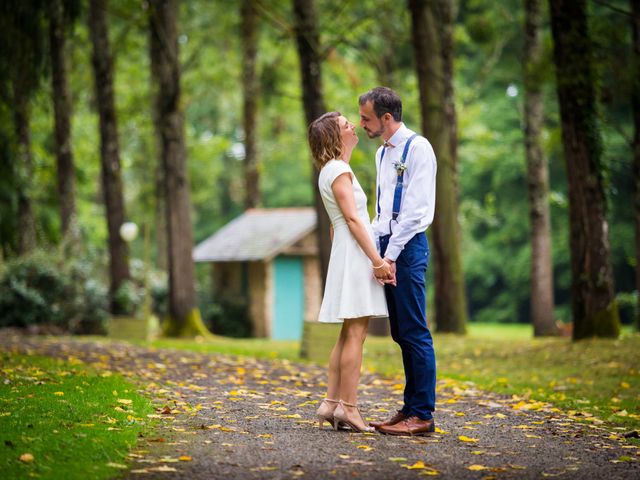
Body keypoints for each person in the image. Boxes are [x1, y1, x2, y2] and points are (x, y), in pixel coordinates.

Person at [358, 86, 438, 436]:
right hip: (388, 249)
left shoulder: (418, 148)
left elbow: (416, 212)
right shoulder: (381, 154)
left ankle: (423, 414)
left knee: (416, 331)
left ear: (386, 118)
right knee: (401, 333)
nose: (362, 124)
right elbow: (381, 213)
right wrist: (375, 255)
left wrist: (389, 257)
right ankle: (408, 408)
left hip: (407, 248)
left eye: (366, 118)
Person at [308, 111, 393, 433]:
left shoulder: (329, 170)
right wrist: (376, 261)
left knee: (347, 333)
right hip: (357, 252)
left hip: (347, 249)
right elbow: (353, 220)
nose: (353, 126)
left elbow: (335, 226)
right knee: (356, 333)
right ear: (334, 136)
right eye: (346, 125)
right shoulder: (339, 170)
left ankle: (331, 403)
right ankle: (350, 408)